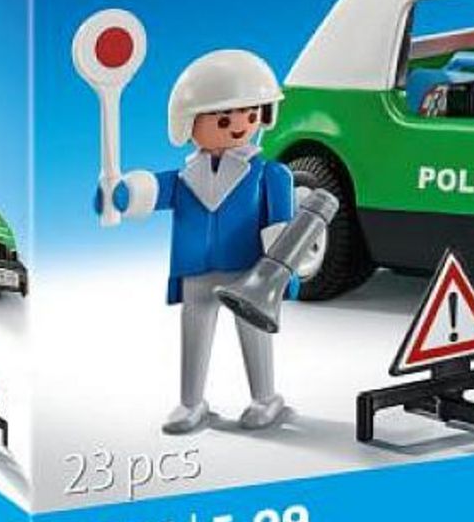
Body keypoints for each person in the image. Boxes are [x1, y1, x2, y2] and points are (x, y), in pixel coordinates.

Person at [97, 48, 331, 434]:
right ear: (188, 122)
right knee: (194, 334)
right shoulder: (184, 177)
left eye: (250, 115)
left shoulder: (270, 175)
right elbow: (148, 191)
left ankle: (265, 397)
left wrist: (279, 273)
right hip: (196, 270)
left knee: (253, 332)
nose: (239, 126)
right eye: (223, 119)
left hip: (249, 272)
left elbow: (281, 230)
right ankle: (191, 402)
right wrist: (120, 193)